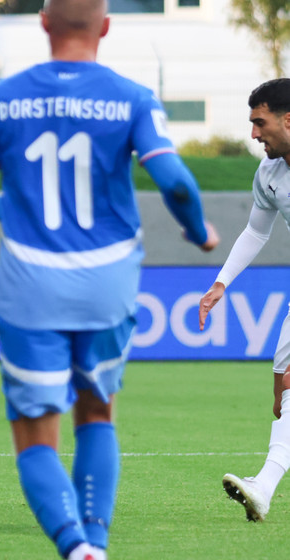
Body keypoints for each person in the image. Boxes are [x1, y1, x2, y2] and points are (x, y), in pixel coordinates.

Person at [0, 1, 218, 558]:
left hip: (31, 283)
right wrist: (199, 232)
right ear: (105, 26)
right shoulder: (132, 97)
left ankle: (76, 546)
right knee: (97, 412)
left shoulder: (1, 98)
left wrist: (15, 210)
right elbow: (175, 183)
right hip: (108, 280)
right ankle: (96, 538)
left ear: (43, 23)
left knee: (35, 432)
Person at [199, 78, 290, 523]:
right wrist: (221, 283)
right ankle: (264, 487)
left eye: (260, 122)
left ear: (288, 120)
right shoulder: (270, 174)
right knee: (283, 392)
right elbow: (256, 231)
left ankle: (264, 486)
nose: (254, 134)